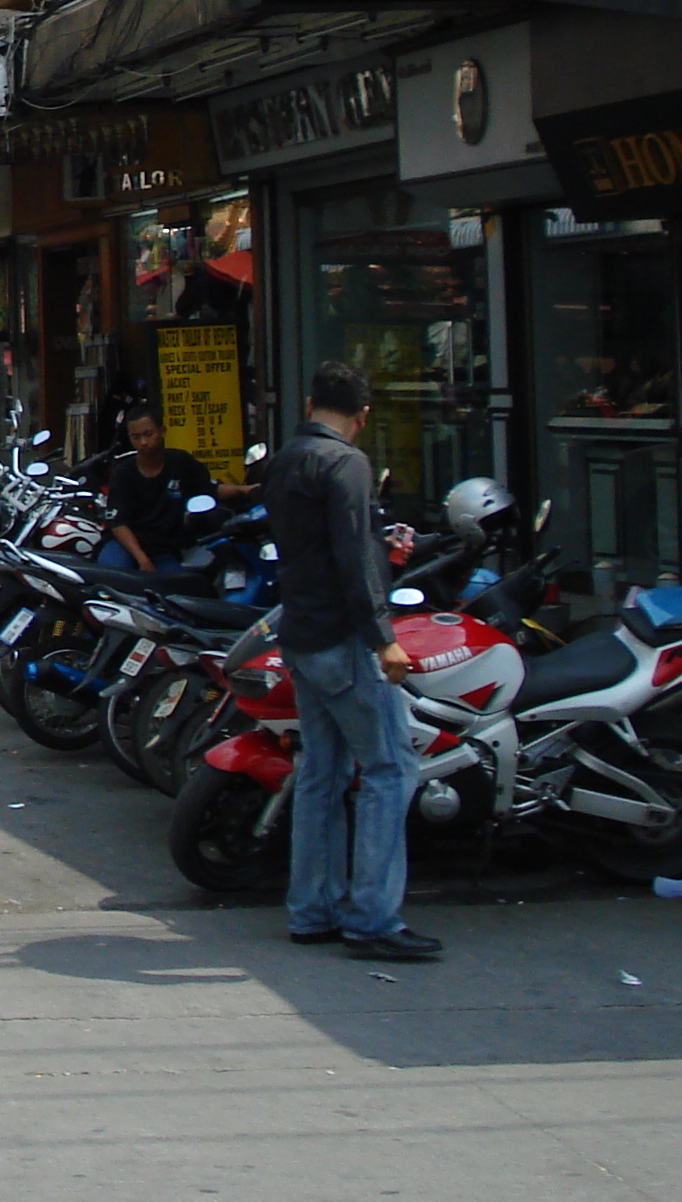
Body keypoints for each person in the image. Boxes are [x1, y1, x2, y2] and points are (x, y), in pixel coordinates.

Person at [263, 360, 435, 961]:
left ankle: (312, 909)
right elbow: (353, 563)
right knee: (391, 770)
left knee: (321, 772)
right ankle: (373, 917)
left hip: (301, 634)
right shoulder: (348, 463)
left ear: (310, 403)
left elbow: (323, 549)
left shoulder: (285, 460)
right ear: (362, 416)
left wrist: (377, 550)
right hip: (343, 640)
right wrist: (384, 637)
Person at [98, 403, 250, 571]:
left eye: (148, 434)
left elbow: (209, 490)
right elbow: (118, 523)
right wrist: (142, 559)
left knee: (177, 588)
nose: (143, 442)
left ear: (162, 431)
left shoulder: (181, 462)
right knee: (115, 575)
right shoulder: (123, 473)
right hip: (124, 547)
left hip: (163, 549)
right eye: (136, 437)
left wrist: (244, 490)